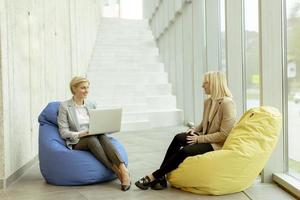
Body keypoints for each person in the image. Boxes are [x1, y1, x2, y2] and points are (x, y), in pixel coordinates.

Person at [135, 71, 237, 190]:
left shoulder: (227, 103)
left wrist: (198, 139)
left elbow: (224, 134)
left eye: (205, 83)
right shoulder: (208, 101)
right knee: (179, 137)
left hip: (215, 143)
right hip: (205, 136)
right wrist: (194, 129)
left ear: (214, 83)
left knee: (185, 151)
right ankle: (161, 177)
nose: (202, 86)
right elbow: (205, 123)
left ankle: (154, 176)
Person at [57, 76, 131, 191]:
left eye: (87, 88)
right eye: (83, 88)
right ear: (74, 88)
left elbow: (98, 123)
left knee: (101, 135)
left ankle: (123, 169)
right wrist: (82, 133)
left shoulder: (91, 104)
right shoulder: (65, 106)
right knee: (92, 140)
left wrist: (104, 127)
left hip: (96, 135)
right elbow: (63, 132)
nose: (86, 91)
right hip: (78, 140)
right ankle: (116, 171)